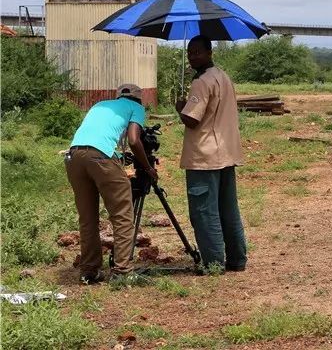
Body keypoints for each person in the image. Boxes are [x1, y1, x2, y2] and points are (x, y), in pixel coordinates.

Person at [66, 83, 157, 284]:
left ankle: (89, 270)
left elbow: (96, 135)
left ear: (118, 97)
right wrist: (148, 168)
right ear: (139, 99)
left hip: (74, 156)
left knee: (88, 218)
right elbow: (134, 140)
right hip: (100, 157)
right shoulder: (137, 108)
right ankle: (123, 271)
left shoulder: (100, 105)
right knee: (123, 214)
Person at [176, 35, 247, 271]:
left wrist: (180, 108)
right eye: (189, 52)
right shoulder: (223, 77)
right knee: (228, 209)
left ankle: (214, 263)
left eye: (197, 52)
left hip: (204, 157)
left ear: (209, 53)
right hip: (226, 152)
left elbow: (192, 120)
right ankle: (237, 260)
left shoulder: (202, 81)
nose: (192, 57)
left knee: (204, 212)